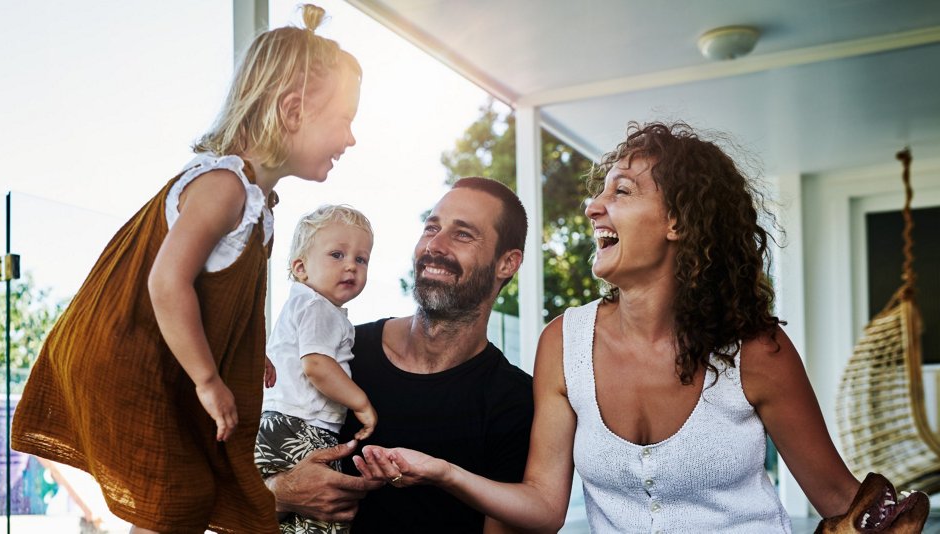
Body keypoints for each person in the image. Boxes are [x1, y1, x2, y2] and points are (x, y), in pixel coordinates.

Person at [360, 122, 862, 533]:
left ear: (679, 222)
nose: (592, 206)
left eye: (621, 191)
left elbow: (842, 500)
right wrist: (442, 472)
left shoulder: (756, 351)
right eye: (599, 193)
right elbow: (543, 505)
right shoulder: (564, 342)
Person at [9, 5, 360, 533]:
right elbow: (166, 280)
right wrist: (207, 378)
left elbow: (222, 292)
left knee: (186, 497)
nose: (351, 139)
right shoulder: (223, 187)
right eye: (344, 121)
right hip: (129, 354)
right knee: (179, 496)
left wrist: (246, 350)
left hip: (157, 357)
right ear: (292, 112)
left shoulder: (259, 204)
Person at [265, 177, 536, 532]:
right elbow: (223, 489)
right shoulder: (338, 356)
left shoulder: (514, 400)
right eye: (431, 228)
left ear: (507, 263)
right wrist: (278, 493)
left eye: (463, 234)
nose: (434, 245)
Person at [255, 204, 377, 534]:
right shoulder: (318, 306)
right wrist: (361, 403)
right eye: (337, 255)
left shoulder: (301, 303)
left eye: (361, 259)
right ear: (301, 267)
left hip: (275, 426)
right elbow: (318, 366)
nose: (351, 265)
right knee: (324, 521)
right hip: (302, 428)